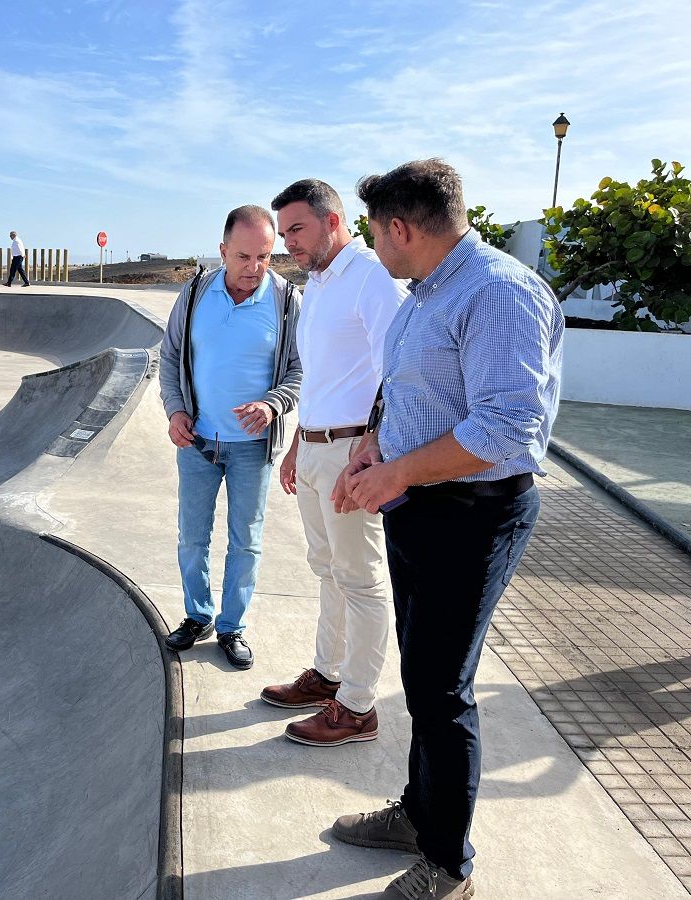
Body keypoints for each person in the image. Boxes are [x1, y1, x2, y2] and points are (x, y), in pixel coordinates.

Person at [329, 159, 563, 900]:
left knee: (442, 689)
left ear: (400, 228)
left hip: (474, 513)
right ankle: (418, 814)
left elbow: (505, 425)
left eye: (374, 233)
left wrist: (396, 473)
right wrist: (375, 441)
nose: (374, 246)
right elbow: (408, 388)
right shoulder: (427, 292)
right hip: (421, 507)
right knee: (422, 676)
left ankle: (449, 864)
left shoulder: (497, 291)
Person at [261, 179, 408, 745]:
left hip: (353, 452)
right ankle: (328, 675)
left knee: (362, 580)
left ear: (333, 220)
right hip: (318, 444)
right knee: (327, 570)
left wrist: (369, 450)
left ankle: (359, 706)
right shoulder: (318, 285)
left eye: (296, 229)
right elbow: (323, 376)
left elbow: (397, 374)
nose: (287, 243)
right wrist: (299, 442)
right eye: (284, 232)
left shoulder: (372, 278)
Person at [158, 205, 302, 669]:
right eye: (243, 256)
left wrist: (272, 404)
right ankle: (197, 615)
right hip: (198, 442)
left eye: (264, 256)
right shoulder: (196, 292)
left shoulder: (285, 301)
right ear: (223, 251)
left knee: (246, 540)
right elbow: (170, 356)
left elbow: (299, 370)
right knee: (192, 538)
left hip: (252, 449)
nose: (254, 268)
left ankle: (231, 626)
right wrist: (175, 409)